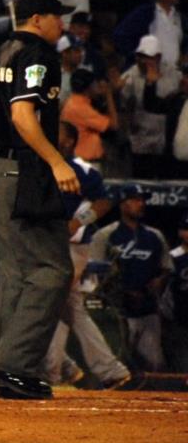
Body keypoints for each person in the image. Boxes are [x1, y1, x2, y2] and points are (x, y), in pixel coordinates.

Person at [0, 0, 78, 400]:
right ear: (38, 18)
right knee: (53, 270)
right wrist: (54, 161)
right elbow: (22, 115)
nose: (63, 24)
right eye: (58, 17)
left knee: (16, 274)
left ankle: (11, 373)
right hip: (26, 168)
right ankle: (12, 365)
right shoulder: (37, 54)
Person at [42, 122, 131, 389]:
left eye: (56, 133)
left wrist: (79, 221)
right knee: (69, 307)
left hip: (71, 248)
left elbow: (103, 202)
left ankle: (53, 372)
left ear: (69, 141)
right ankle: (108, 370)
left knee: (54, 304)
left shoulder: (83, 170)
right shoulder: (40, 165)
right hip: (45, 245)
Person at [87, 184, 171, 373]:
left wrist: (159, 281)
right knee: (117, 362)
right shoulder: (106, 235)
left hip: (148, 311)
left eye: (142, 200)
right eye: (134, 200)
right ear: (122, 204)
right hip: (116, 312)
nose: (140, 204)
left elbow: (166, 267)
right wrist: (114, 290)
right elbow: (94, 271)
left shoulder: (154, 236)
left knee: (155, 365)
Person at [120, 35, 181, 178]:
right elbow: (123, 108)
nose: (142, 60)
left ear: (158, 57)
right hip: (141, 143)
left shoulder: (172, 74)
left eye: (147, 57)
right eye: (139, 56)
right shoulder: (130, 76)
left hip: (166, 144)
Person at [60, 69, 118, 164]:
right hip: (84, 161)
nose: (98, 87)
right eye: (95, 84)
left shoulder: (74, 102)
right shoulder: (80, 107)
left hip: (82, 160)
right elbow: (113, 125)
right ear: (89, 87)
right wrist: (109, 94)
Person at [161, 212, 188, 372]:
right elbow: (164, 289)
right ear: (180, 232)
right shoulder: (173, 256)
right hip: (179, 319)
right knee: (182, 365)